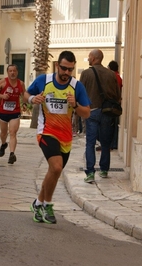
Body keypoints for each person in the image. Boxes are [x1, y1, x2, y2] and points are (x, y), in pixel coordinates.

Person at [24, 51, 90, 224]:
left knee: (54, 171)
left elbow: (87, 113)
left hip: (66, 137)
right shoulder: (43, 81)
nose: (66, 73)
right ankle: (47, 205)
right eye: (63, 68)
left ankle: (37, 203)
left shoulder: (77, 87)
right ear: (57, 66)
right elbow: (25, 95)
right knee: (56, 166)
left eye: (70, 69)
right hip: (46, 132)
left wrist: (75, 104)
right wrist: (32, 99)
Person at [80, 49, 121, 183]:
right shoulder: (111, 74)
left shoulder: (86, 73)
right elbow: (117, 94)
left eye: (89, 56)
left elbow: (80, 93)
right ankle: (104, 170)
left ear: (93, 58)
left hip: (92, 111)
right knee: (105, 143)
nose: (88, 58)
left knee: (90, 142)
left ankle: (90, 172)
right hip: (107, 111)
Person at [0, 64, 25, 164]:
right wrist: (2, 95)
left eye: (14, 71)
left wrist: (25, 103)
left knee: (12, 132)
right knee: (3, 133)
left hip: (15, 111)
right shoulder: (3, 82)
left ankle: (12, 154)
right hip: (3, 111)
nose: (12, 73)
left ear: (17, 72)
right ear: (8, 72)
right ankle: (3, 144)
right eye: (10, 71)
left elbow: (24, 94)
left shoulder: (21, 83)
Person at [108, 60, 122, 150]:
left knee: (111, 125)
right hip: (116, 103)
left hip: (112, 104)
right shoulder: (118, 77)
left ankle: (112, 144)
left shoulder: (113, 77)